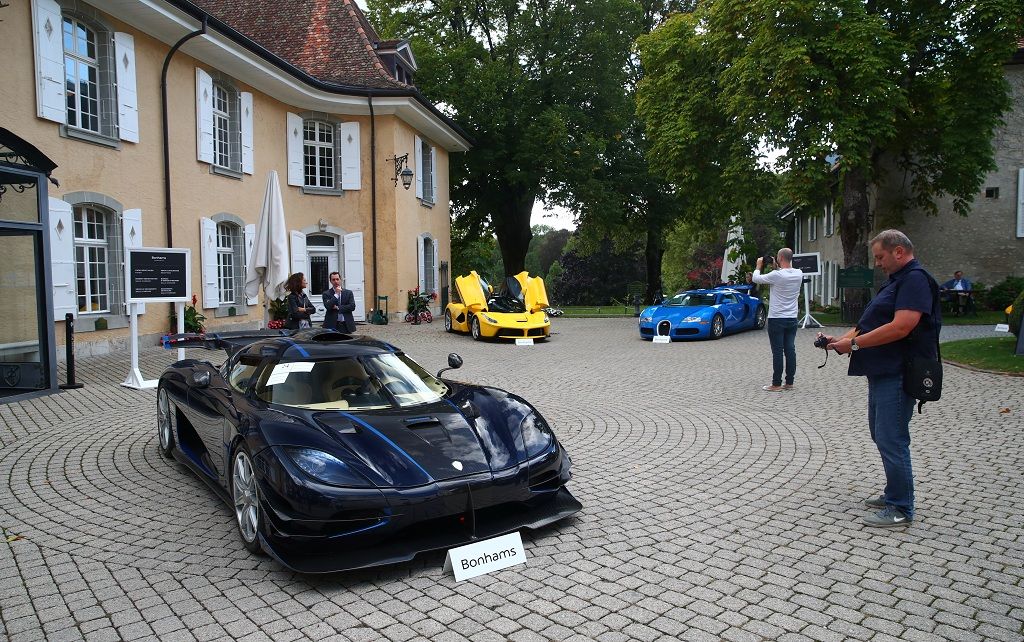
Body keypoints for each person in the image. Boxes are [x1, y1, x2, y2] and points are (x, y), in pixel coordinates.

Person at [822, 229, 941, 528]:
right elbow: (868, 325)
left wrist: (855, 344)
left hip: (899, 372)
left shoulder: (915, 280)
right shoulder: (897, 281)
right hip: (882, 371)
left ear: (898, 251)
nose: (877, 263)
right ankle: (893, 493)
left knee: (892, 437)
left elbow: (901, 327)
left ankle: (901, 507)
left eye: (880, 257)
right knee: (881, 434)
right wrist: (842, 340)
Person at [750, 248, 804, 391]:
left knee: (778, 351)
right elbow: (784, 273)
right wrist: (777, 267)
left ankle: (776, 384)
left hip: (777, 317)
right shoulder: (799, 273)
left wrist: (758, 265)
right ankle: (789, 382)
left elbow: (756, 279)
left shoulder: (776, 275)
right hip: (792, 317)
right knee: (790, 349)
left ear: (780, 258)